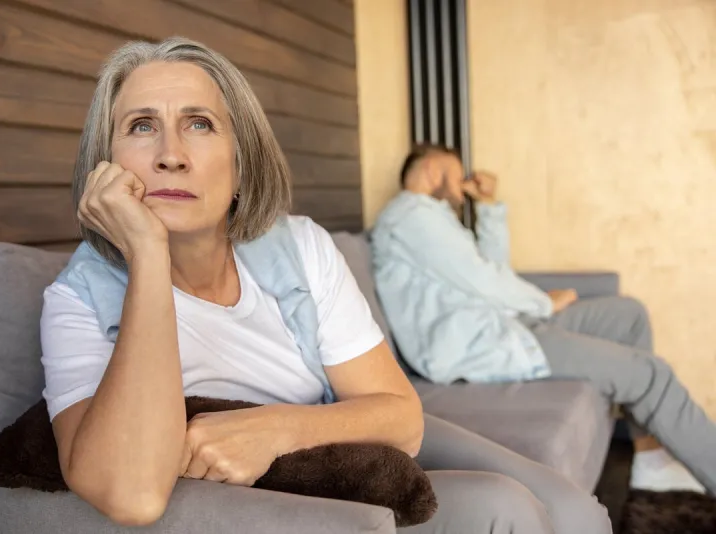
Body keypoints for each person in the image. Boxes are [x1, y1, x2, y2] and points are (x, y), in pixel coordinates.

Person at [40, 38, 611, 534]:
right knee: (500, 508)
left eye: (199, 123)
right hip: (301, 493)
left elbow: (400, 418)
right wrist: (146, 255)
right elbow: (131, 495)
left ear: (241, 166)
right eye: (141, 126)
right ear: (105, 164)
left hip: (340, 429)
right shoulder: (76, 300)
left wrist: (271, 428)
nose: (169, 155)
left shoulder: (298, 244)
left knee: (572, 506)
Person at [371, 143, 716, 496]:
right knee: (649, 373)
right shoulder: (409, 216)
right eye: (457, 174)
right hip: (483, 343)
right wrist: (544, 304)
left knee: (628, 316)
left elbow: (492, 270)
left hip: (508, 324)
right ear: (432, 169)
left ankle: (650, 461)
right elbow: (483, 279)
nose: (462, 184)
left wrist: (488, 207)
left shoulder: (431, 219)